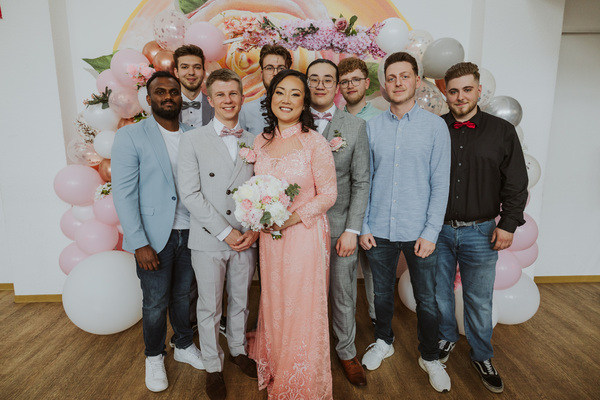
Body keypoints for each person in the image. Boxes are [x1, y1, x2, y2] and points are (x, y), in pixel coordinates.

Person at [358, 52, 451, 393]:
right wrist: (364, 226)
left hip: (419, 231)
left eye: (404, 76)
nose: (398, 82)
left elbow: (440, 183)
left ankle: (430, 356)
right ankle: (384, 341)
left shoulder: (435, 127)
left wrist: (431, 232)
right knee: (381, 294)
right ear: (384, 84)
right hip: (379, 230)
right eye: (391, 77)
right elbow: (364, 180)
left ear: (417, 80)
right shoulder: (372, 128)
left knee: (427, 299)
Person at [435, 62, 528, 394]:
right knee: (440, 292)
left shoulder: (502, 131)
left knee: (478, 299)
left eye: (467, 89)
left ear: (479, 91)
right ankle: (446, 337)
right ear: (446, 93)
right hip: (437, 231)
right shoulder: (435, 129)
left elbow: (516, 183)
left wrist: (508, 224)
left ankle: (482, 355)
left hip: (482, 232)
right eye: (453, 91)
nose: (460, 97)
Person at [111, 71, 204, 393]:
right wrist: (139, 243)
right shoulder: (131, 136)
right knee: (154, 302)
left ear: (181, 98)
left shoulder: (194, 135)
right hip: (153, 237)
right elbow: (123, 194)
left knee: (183, 295)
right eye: (160, 92)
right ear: (149, 99)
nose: (168, 96)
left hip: (191, 232)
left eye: (173, 92)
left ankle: (183, 344)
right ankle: (153, 356)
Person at [250, 69, 338, 399]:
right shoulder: (260, 141)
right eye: (280, 92)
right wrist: (257, 215)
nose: (286, 100)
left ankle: (301, 381)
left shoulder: (314, 142)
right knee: (275, 301)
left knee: (301, 306)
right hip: (270, 240)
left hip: (304, 234)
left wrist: (291, 218)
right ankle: (278, 363)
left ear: (304, 103)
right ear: (270, 98)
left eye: (295, 94)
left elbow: (329, 195)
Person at [177, 69, 259, 400]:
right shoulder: (192, 140)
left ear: (242, 97)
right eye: (220, 95)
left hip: (246, 238)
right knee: (209, 307)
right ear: (210, 100)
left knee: (241, 300)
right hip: (209, 238)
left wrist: (253, 231)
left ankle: (238, 349)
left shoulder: (255, 140)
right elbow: (190, 194)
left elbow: (262, 190)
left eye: (233, 93)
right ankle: (213, 365)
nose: (228, 100)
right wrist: (225, 232)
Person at [306, 58, 370, 387]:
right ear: (306, 83)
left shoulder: (355, 126)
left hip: (340, 226)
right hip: (300, 228)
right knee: (304, 293)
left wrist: (352, 230)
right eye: (314, 78)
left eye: (327, 79)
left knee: (343, 293)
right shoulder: (291, 121)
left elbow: (361, 182)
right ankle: (308, 350)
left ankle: (346, 352)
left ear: (336, 86)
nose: (320, 85)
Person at [337, 57, 383, 328]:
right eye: (344, 81)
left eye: (356, 79)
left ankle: (379, 324)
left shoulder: (380, 119)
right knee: (342, 274)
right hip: (343, 209)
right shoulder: (333, 121)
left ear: (367, 83)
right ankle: (345, 327)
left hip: (374, 209)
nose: (350, 85)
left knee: (374, 271)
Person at [239, 44, 293, 135]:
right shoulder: (246, 111)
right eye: (269, 68)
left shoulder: (300, 108)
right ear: (262, 73)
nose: (275, 73)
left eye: (281, 68)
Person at [173, 44, 214, 128]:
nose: (191, 72)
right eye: (185, 67)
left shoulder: (216, 105)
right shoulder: (165, 106)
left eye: (197, 67)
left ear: (203, 72)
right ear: (176, 72)